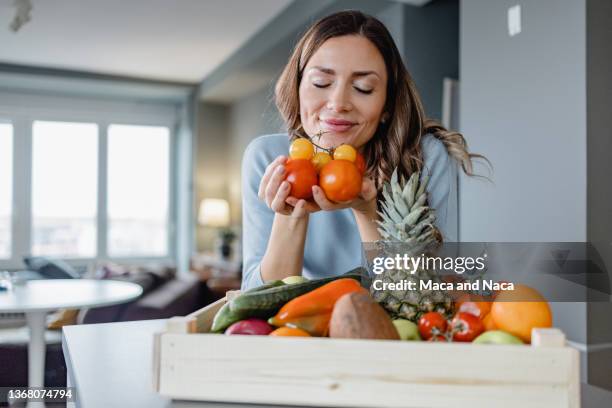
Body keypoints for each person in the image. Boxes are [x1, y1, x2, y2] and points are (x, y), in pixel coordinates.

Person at [241, 10, 481, 290]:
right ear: (297, 86)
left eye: (363, 88)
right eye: (321, 83)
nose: (338, 102)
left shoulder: (426, 157)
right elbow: (256, 299)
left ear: (387, 107)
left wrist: (367, 211)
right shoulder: (267, 158)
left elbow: (432, 291)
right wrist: (289, 214)